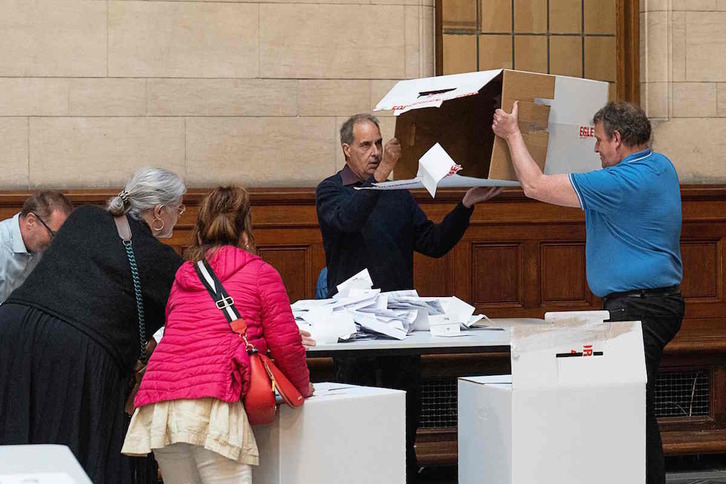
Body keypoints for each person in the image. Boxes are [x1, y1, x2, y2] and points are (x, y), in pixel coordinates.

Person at [492, 101, 683, 484]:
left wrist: (513, 134)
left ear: (617, 139)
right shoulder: (660, 166)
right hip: (653, 304)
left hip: (639, 310)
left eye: (598, 141)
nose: (595, 149)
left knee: (629, 411)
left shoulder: (622, 182)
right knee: (632, 407)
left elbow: (535, 186)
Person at [316, 113, 502, 482]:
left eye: (379, 144)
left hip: (400, 331)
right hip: (354, 332)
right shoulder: (330, 191)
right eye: (366, 145)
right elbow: (348, 221)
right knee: (358, 426)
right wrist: (379, 177)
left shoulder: (397, 196)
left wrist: (465, 205)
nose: (375, 152)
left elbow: (433, 243)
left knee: (404, 428)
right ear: (346, 150)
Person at [0, 167, 186, 484]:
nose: (178, 216)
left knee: (14, 444)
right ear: (158, 212)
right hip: (76, 352)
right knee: (71, 458)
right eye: (178, 208)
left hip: (12, 327)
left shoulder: (85, 217)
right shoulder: (163, 263)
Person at [122, 186, 312, 484]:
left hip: (162, 403)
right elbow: (286, 344)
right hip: (212, 400)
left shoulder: (184, 275)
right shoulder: (261, 273)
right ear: (246, 227)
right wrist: (303, 389)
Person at [0, 190, 73, 303]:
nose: (55, 242)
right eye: (53, 234)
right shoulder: (2, 243)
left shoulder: (42, 247)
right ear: (31, 221)